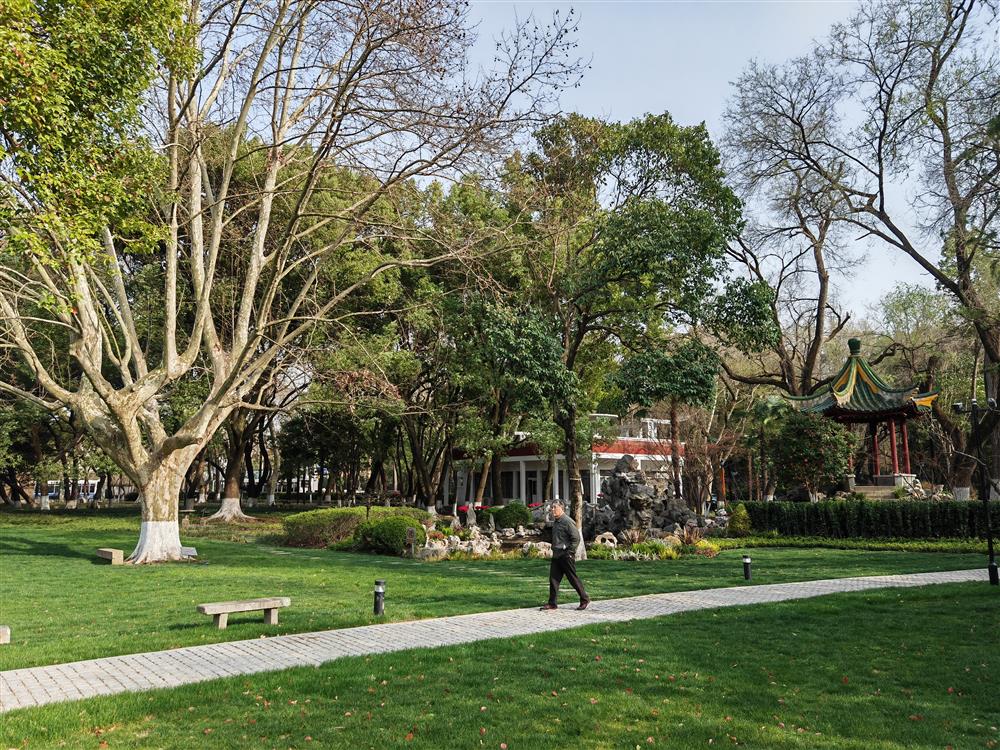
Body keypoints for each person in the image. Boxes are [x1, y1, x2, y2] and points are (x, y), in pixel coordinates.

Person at [540, 500, 590, 611]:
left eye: (554, 507)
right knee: (553, 580)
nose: (552, 509)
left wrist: (570, 552)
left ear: (561, 508)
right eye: (552, 507)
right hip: (556, 555)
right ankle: (552, 604)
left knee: (572, 578)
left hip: (566, 556)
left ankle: (584, 599)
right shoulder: (556, 522)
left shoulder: (567, 521)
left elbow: (576, 538)